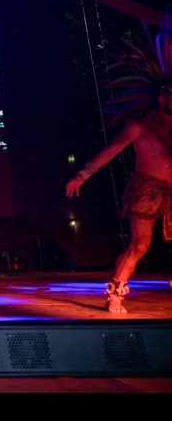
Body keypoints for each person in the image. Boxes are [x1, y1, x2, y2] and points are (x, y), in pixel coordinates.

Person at [66, 88, 172, 313]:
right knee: (140, 245)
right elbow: (113, 149)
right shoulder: (141, 125)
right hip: (148, 189)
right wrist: (83, 174)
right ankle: (115, 295)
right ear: (162, 98)